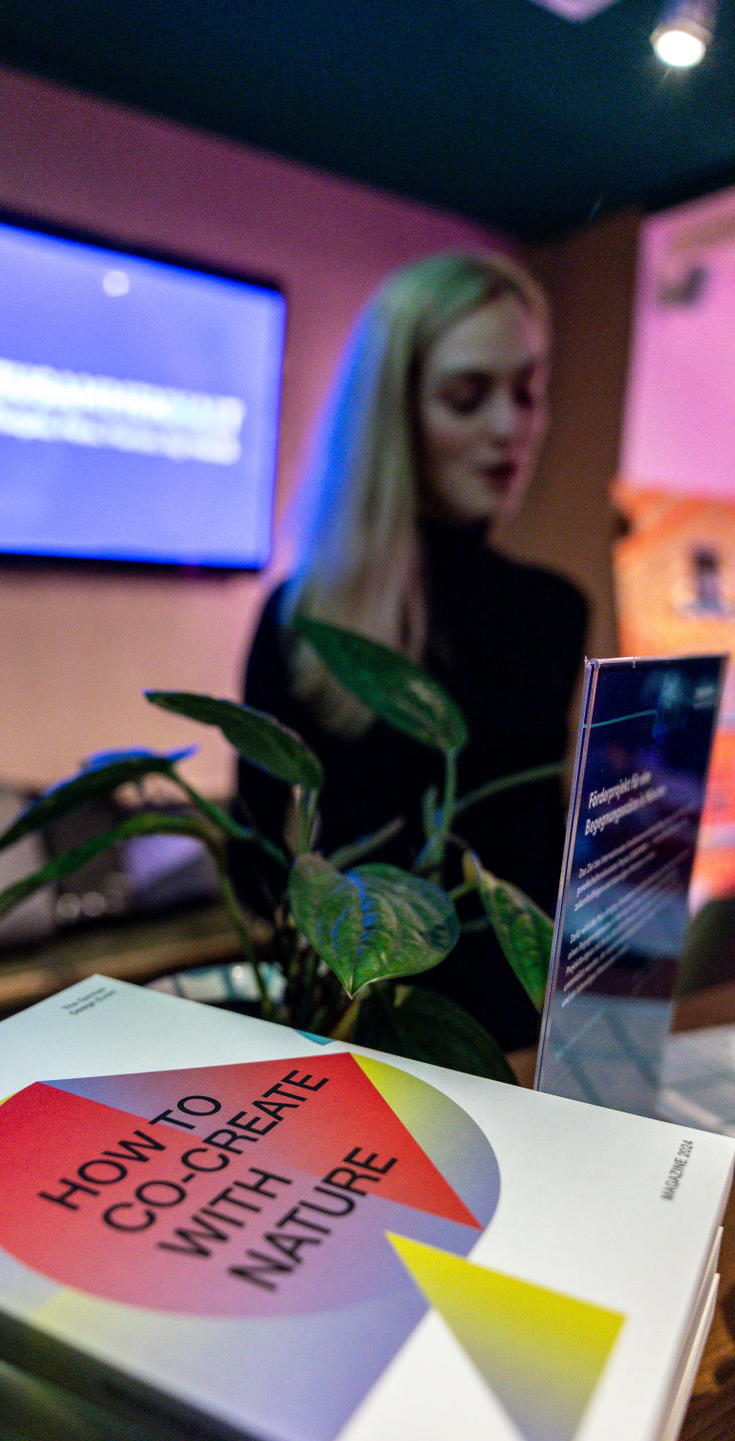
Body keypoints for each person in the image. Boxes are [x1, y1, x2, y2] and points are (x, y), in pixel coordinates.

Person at [233, 250, 588, 1051]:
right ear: (393, 414)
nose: (511, 426)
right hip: (347, 1045)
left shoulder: (553, 612)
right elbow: (259, 861)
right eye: (467, 397)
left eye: (527, 391)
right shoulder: (301, 621)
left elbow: (537, 858)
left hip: (517, 1047)